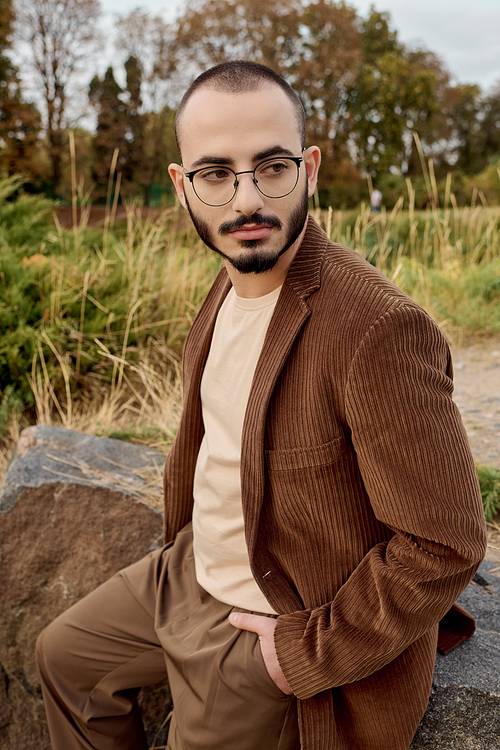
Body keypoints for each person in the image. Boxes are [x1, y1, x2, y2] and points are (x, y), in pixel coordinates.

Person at [35, 61, 487, 750]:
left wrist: (301, 653)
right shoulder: (229, 283)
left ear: (307, 169)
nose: (247, 200)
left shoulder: (375, 329)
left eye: (270, 166)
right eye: (216, 174)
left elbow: (447, 541)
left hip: (278, 617)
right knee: (65, 659)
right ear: (184, 188)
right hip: (188, 570)